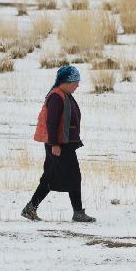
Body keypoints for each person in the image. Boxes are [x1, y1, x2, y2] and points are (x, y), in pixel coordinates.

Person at [22, 65, 95, 222]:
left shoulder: (63, 94)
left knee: (49, 177)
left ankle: (30, 208)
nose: (77, 85)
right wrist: (55, 144)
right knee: (74, 176)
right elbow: (52, 122)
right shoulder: (57, 96)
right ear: (66, 82)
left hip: (62, 143)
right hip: (59, 145)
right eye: (75, 82)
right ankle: (78, 213)